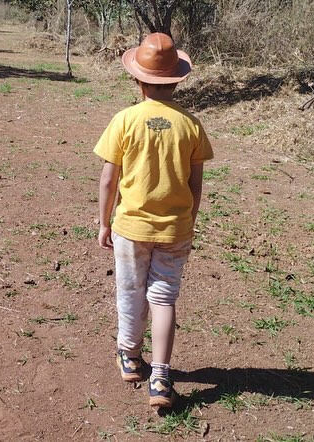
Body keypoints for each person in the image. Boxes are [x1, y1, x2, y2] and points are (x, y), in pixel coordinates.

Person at [94, 33, 214, 409]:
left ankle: (130, 358)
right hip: (176, 229)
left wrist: (103, 222)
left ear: (137, 78)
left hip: (131, 228)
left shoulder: (125, 120)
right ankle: (161, 377)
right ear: (177, 78)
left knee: (130, 292)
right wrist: (188, 221)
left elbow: (109, 179)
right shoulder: (191, 125)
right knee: (163, 298)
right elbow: (196, 184)